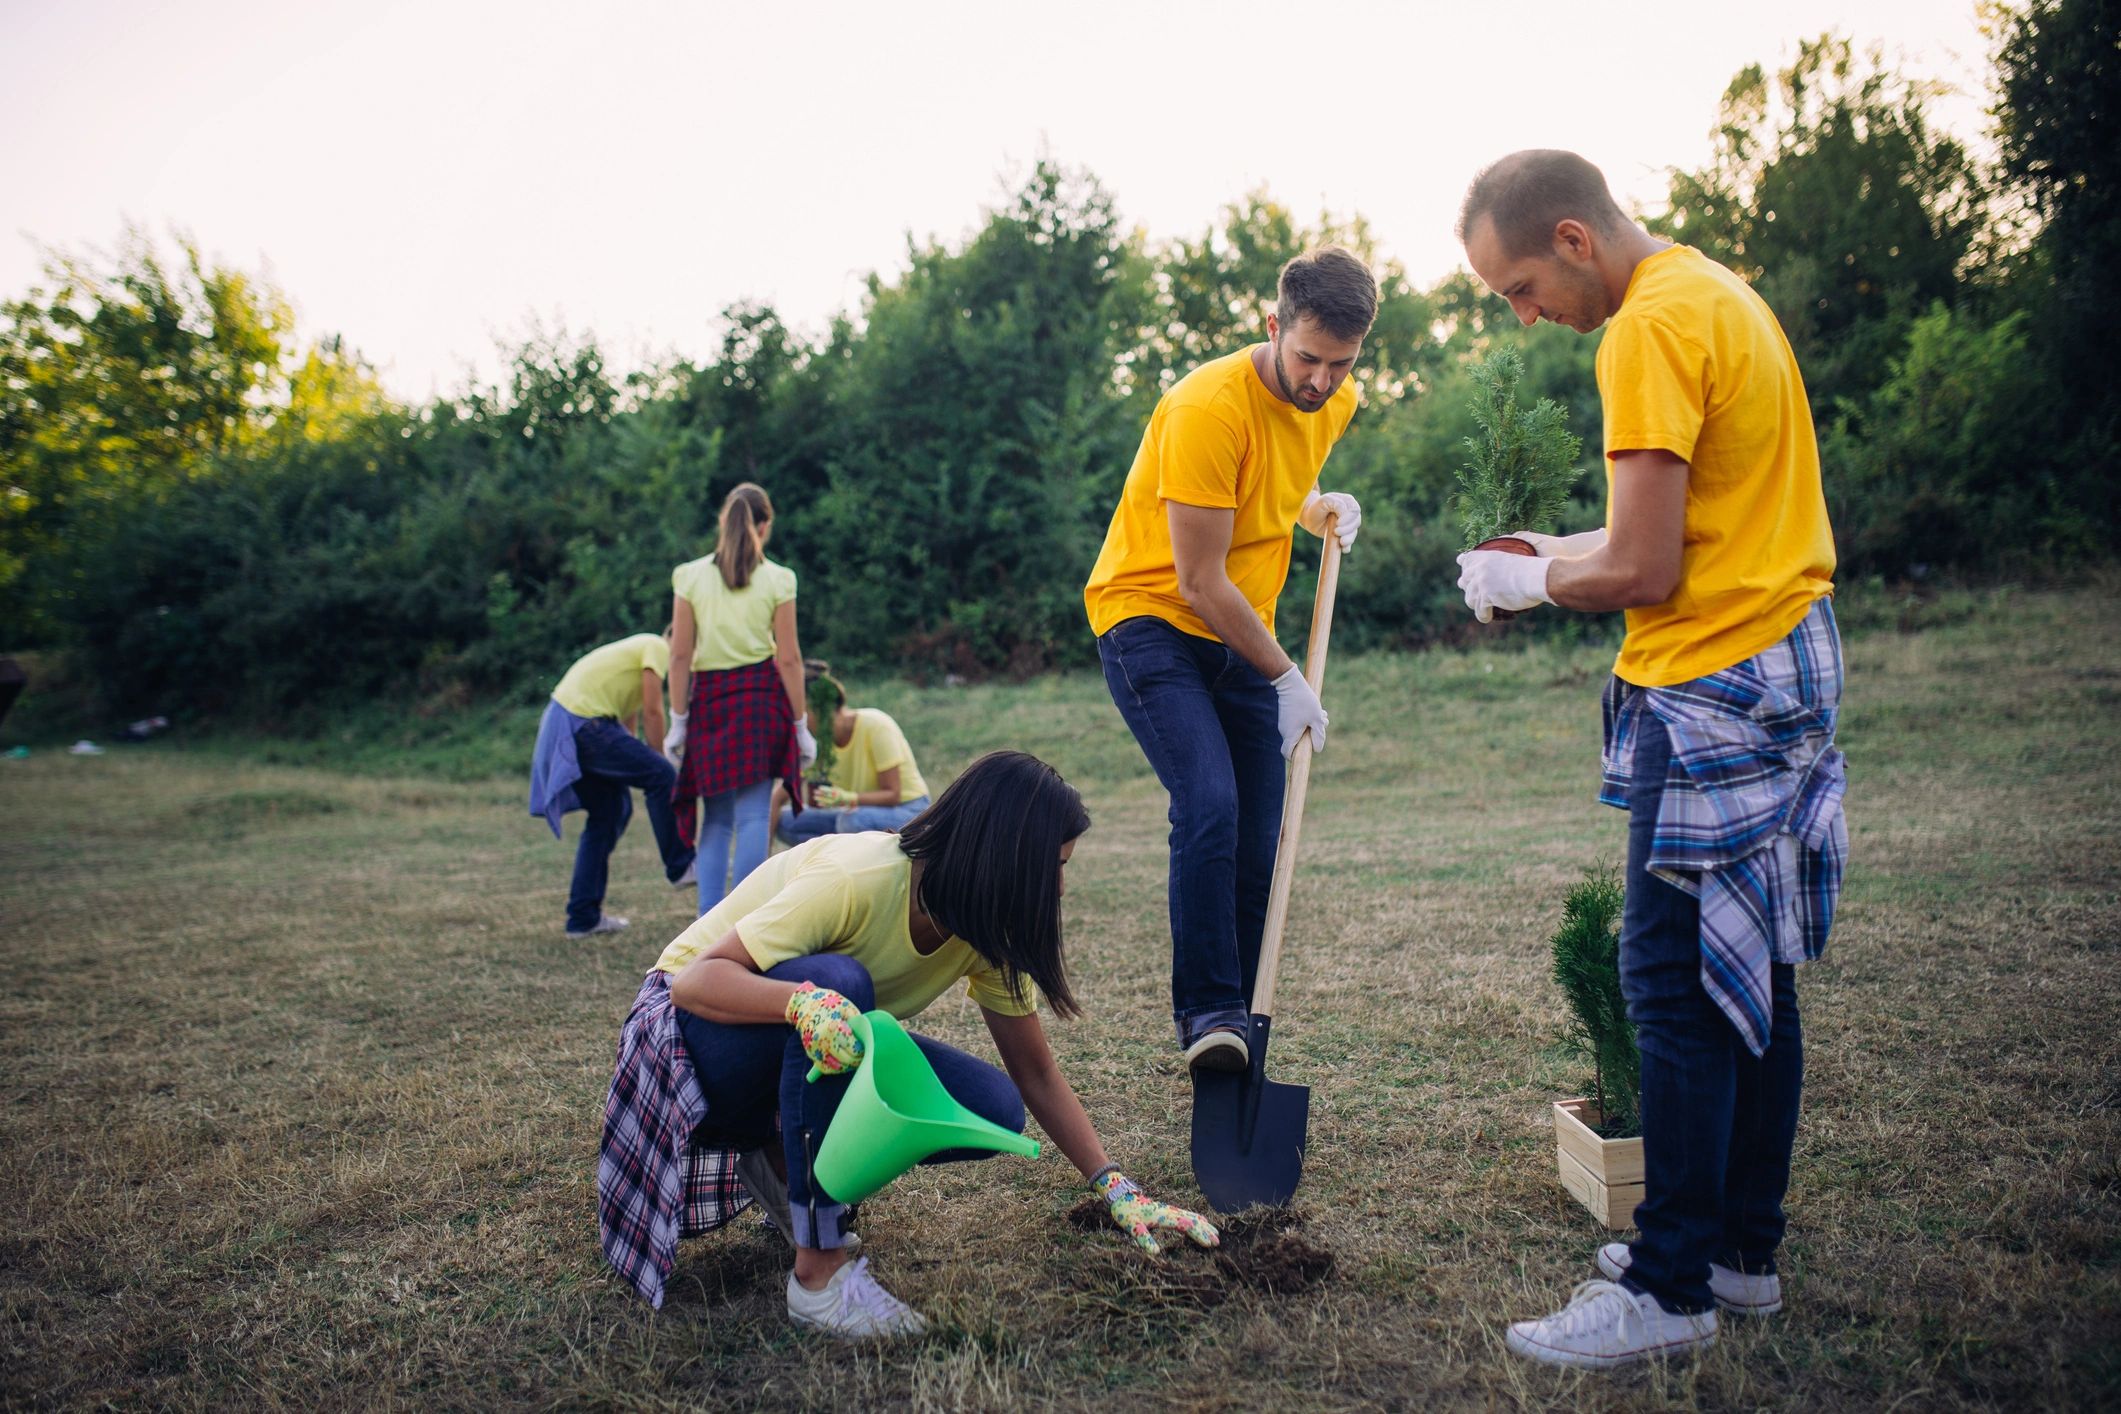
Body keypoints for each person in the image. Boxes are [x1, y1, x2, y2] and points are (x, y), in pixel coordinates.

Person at [1451, 149, 1846, 1370]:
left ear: (1573, 239)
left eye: (1518, 288)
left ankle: (1667, 1285)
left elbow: (1645, 574)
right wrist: (1550, 543)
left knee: (1670, 987)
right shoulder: (1721, 293)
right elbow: (1678, 525)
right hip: (1786, 658)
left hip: (1711, 683)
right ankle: (1742, 1254)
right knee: (1756, 968)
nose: (1525, 318)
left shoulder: (1643, 333)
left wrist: (1531, 578)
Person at [596, 750, 1219, 1335]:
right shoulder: (857, 877)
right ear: (1004, 857)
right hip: (686, 1040)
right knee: (840, 981)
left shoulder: (983, 930)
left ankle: (777, 1153)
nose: (1058, 888)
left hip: (797, 1037)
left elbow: (1036, 1076)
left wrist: (1116, 1187)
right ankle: (818, 1279)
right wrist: (802, 1002)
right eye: (1054, 866)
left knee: (990, 1106)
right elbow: (695, 982)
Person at [1082, 246, 1371, 1073]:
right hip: (1153, 619)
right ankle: (1207, 1011)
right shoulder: (1207, 406)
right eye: (1307, 357)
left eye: (1340, 363)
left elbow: (1267, 496)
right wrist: (1285, 677)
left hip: (1241, 627)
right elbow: (1198, 578)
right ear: (1272, 325)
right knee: (1209, 802)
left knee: (1260, 835)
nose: (1319, 381)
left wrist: (1317, 507)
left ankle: (1241, 1030)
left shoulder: (1335, 400)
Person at [666, 482, 818, 915]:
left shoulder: (689, 576)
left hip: (710, 701)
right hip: (761, 700)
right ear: (765, 526)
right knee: (753, 815)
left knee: (715, 818)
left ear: (722, 521)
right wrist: (800, 725)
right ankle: (743, 922)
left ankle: (707, 922)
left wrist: (678, 718)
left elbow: (679, 654)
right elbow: (789, 659)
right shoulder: (779, 578)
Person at [528, 630, 695, 937]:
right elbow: (653, 710)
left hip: (568, 723)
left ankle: (583, 918)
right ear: (676, 638)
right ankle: (681, 865)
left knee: (611, 811)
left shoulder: (629, 663)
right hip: (583, 722)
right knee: (661, 775)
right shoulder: (657, 646)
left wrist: (640, 763)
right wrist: (660, 763)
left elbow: (626, 728)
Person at [771, 663, 931, 846]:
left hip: (909, 810)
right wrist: (760, 860)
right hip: (854, 813)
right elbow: (778, 798)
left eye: (802, 713)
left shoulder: (876, 725)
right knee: (787, 821)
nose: (798, 722)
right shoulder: (819, 743)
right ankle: (831, 862)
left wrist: (848, 798)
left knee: (850, 821)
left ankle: (854, 863)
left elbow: (893, 794)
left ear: (822, 708)